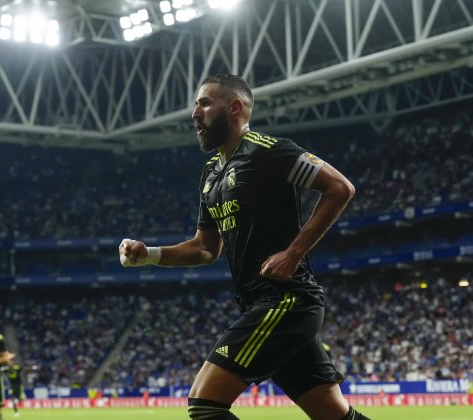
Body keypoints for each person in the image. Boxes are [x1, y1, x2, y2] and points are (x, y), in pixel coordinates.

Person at [119, 74, 368, 420]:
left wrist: (293, 253)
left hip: (286, 301)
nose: (195, 113)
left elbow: (340, 188)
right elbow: (206, 248)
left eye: (204, 103)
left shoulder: (269, 151)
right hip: (263, 305)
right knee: (335, 416)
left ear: (234, 107)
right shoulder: (209, 174)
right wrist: (151, 255)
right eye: (196, 104)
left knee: (205, 404)